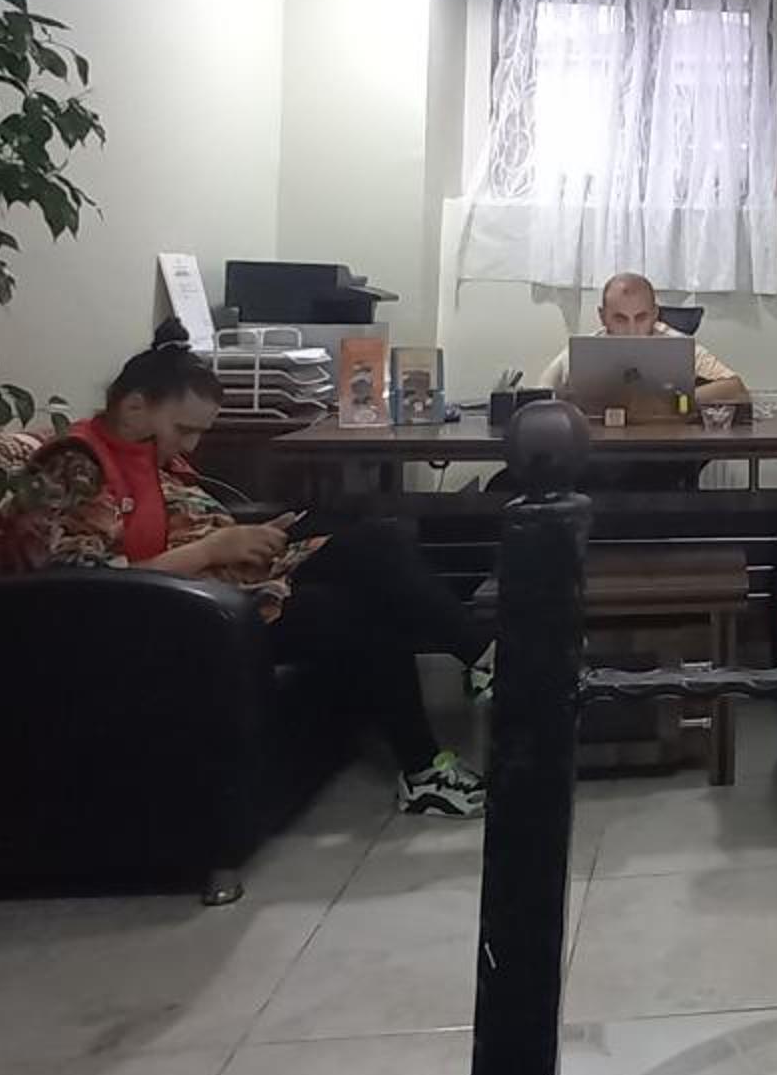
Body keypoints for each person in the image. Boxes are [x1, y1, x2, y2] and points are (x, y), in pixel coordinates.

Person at [30, 334, 487, 817]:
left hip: (230, 582)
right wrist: (215, 548)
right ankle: (465, 691)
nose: (191, 445)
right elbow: (86, 586)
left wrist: (252, 535)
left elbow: (183, 527)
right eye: (184, 430)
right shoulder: (75, 465)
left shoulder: (147, 454)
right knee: (352, 603)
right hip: (175, 616)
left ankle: (463, 695)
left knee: (376, 541)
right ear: (135, 406)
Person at [538, 271, 749, 406]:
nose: (632, 330)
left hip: (664, 446)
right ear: (603, 317)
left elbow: (735, 387)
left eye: (641, 317)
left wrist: (673, 403)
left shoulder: (676, 344)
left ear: (655, 314)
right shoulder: (585, 349)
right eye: (620, 319)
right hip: (601, 449)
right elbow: (542, 392)